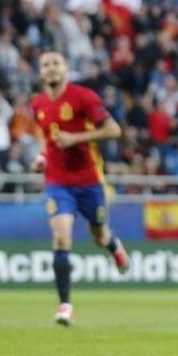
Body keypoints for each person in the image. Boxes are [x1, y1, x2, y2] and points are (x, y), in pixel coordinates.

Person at [31, 51, 128, 326]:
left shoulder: (84, 97)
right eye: (45, 65)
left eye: (55, 64)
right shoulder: (37, 104)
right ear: (40, 73)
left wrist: (77, 138)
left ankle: (113, 246)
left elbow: (114, 130)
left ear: (65, 68)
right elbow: (48, 140)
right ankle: (65, 305)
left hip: (88, 180)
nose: (50, 69)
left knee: (99, 235)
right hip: (57, 182)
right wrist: (42, 158)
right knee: (61, 237)